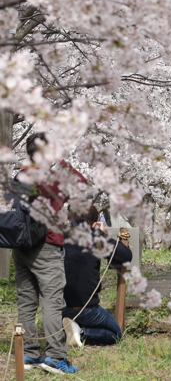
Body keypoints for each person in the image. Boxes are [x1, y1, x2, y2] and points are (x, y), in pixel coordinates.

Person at [15, 132, 86, 375]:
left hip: (22, 245)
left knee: (26, 302)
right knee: (52, 303)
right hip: (47, 245)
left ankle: (29, 353)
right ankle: (56, 357)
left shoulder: (21, 176)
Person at [61, 207, 131, 347]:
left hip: (57, 306)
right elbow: (126, 255)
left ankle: (66, 328)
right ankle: (81, 332)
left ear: (68, 220)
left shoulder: (58, 236)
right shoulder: (96, 238)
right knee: (115, 333)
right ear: (95, 223)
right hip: (86, 307)